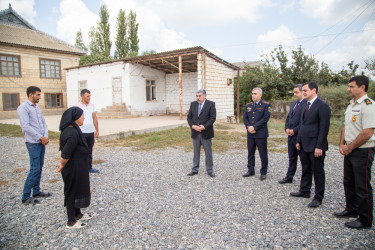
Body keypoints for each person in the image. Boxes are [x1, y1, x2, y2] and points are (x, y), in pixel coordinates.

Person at [334, 75, 374, 229]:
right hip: (350, 149)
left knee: (362, 186)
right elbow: (346, 126)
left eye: (351, 86)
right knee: (348, 182)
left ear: (362, 87)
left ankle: (365, 219)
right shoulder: (351, 105)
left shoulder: (368, 105)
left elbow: (367, 133)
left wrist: (350, 147)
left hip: (362, 150)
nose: (348, 89)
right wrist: (342, 144)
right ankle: (352, 209)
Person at [290, 82, 331, 208]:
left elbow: (324, 128)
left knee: (317, 171)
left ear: (314, 90)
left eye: (306, 90)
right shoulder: (305, 105)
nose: (303, 93)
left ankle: (318, 197)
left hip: (315, 146)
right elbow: (302, 124)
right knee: (305, 168)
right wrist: (298, 141)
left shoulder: (322, 106)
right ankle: (304, 190)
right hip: (304, 143)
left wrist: (319, 146)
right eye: (303, 91)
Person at [56, 107, 93, 229]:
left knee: (76, 190)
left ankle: (78, 214)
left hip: (77, 166)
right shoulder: (71, 133)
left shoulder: (73, 129)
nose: (84, 118)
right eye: (82, 115)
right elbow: (66, 153)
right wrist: (61, 164)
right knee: (72, 191)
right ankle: (71, 221)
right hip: (72, 168)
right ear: (76, 118)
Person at [17, 86, 51, 205]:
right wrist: (40, 137)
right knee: (34, 168)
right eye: (38, 95)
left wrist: (45, 136)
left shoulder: (37, 108)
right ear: (30, 95)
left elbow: (43, 123)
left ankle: (36, 191)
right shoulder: (23, 108)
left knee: (39, 167)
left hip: (41, 141)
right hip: (33, 142)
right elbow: (25, 127)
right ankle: (26, 196)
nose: (40, 97)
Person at [279, 84, 306, 184]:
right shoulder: (294, 104)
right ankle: (289, 176)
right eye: (293, 92)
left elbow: (304, 122)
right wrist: (286, 128)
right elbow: (288, 118)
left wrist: (294, 130)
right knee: (292, 158)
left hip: (299, 137)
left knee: (303, 160)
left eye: (296, 92)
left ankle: (305, 181)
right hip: (290, 136)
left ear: (302, 92)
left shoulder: (306, 104)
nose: (294, 94)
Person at [243, 87, 271, 180]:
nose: (253, 95)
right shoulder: (248, 106)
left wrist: (254, 127)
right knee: (250, 152)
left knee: (262, 153)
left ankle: (263, 172)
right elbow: (245, 118)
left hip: (261, 133)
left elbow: (265, 119)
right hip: (250, 133)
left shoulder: (266, 105)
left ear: (260, 95)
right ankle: (250, 170)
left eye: (255, 94)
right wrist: (249, 127)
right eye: (252, 93)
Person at [187, 89, 216, 177]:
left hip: (206, 132)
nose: (198, 98)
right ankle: (195, 169)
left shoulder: (211, 104)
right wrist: (193, 126)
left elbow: (212, 118)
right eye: (197, 96)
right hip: (195, 132)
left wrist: (204, 126)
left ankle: (209, 169)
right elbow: (189, 118)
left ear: (205, 96)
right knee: (196, 152)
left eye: (199, 96)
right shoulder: (193, 104)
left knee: (208, 152)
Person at [77, 89, 100, 173]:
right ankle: (81, 168)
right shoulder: (77, 106)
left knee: (89, 150)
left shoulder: (92, 105)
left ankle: (89, 167)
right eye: (87, 96)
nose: (89, 98)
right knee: (81, 150)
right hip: (81, 132)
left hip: (90, 132)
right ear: (82, 96)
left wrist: (96, 130)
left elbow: (94, 117)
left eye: (90, 96)